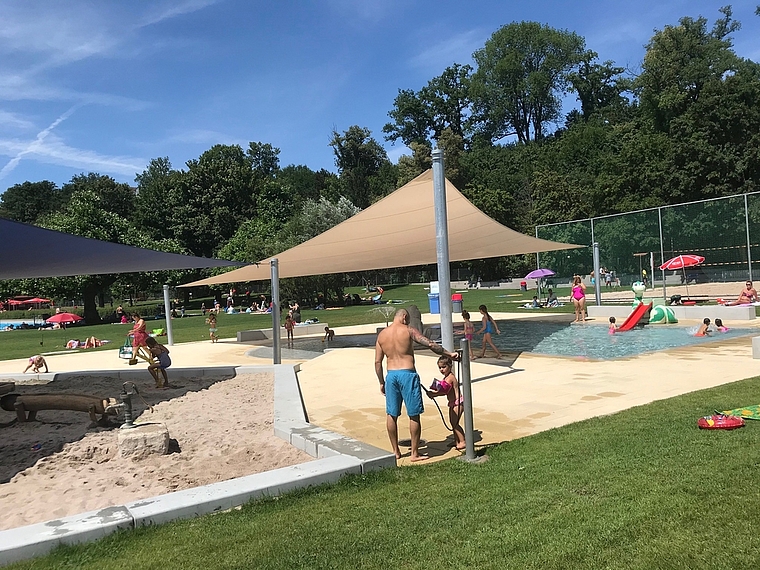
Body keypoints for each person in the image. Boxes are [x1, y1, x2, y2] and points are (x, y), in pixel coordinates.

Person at [375, 308, 459, 462]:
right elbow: (431, 345)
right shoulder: (408, 330)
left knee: (391, 414)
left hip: (391, 375)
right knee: (413, 414)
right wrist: (449, 354)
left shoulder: (382, 335)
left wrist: (382, 382)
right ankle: (414, 453)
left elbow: (377, 362)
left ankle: (396, 452)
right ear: (405, 317)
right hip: (408, 374)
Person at [424, 355, 466, 451]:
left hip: (457, 403)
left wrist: (433, 394)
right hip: (452, 403)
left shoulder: (450, 378)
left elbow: (444, 391)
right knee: (453, 422)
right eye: (439, 367)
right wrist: (434, 392)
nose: (441, 369)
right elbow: (443, 391)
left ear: (450, 366)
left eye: (444, 367)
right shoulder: (446, 378)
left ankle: (463, 441)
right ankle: (457, 440)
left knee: (455, 423)